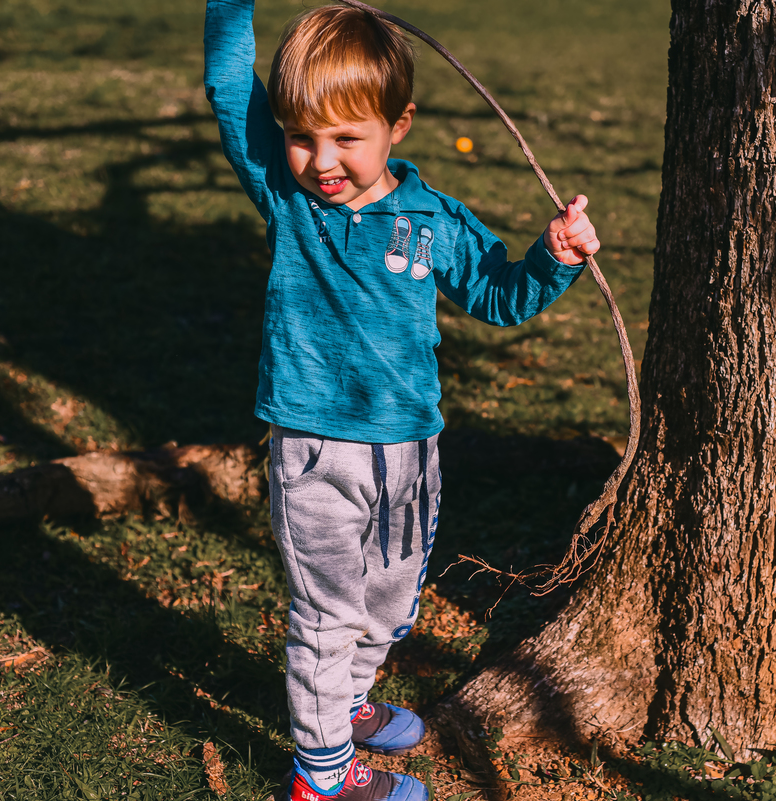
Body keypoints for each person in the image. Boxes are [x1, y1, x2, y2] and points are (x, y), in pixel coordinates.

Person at [203, 2, 600, 800]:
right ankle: (319, 776)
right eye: (303, 135)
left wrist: (551, 257)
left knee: (386, 607)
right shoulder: (289, 200)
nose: (322, 160)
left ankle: (346, 706)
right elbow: (224, 82)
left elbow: (498, 294)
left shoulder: (433, 217)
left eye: (346, 137)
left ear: (400, 124)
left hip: (410, 449)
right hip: (314, 450)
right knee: (325, 615)